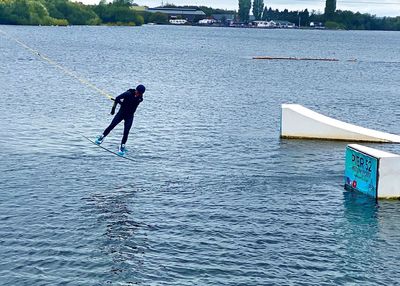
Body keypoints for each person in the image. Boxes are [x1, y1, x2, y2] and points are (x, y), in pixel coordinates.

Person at [95, 84, 146, 155]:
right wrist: (113, 109)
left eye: (140, 93)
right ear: (136, 90)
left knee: (126, 132)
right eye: (138, 92)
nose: (138, 94)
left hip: (129, 116)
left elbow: (132, 104)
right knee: (112, 125)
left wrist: (124, 104)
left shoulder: (140, 99)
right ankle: (101, 137)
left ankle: (122, 146)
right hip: (121, 113)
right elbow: (117, 98)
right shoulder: (127, 94)